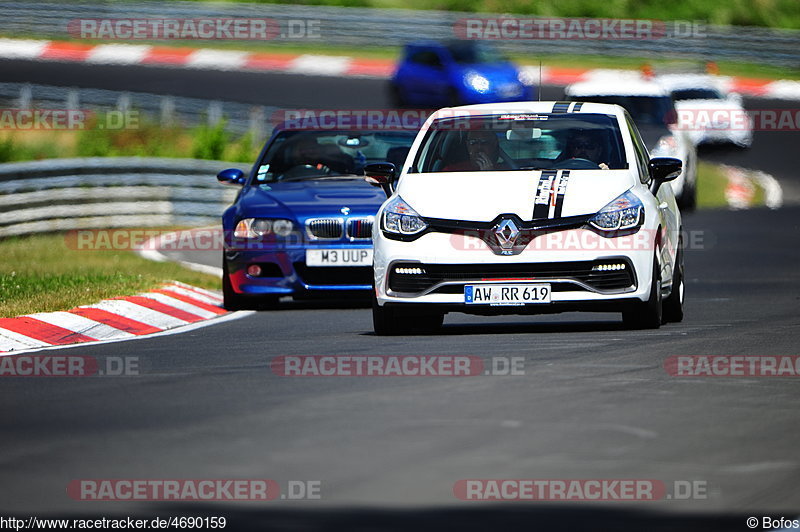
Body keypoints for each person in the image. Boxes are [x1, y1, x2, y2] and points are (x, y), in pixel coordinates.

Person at [443, 130, 510, 171]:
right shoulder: (452, 171)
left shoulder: (505, 171)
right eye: (473, 142)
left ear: (493, 145)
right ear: (467, 145)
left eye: (484, 142)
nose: (479, 147)